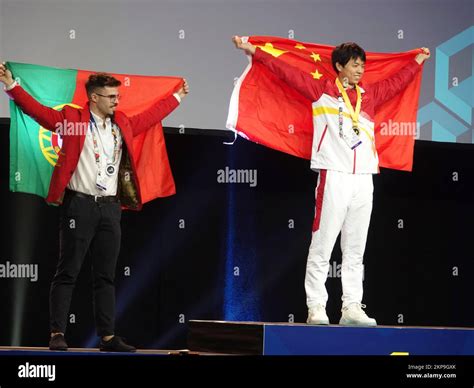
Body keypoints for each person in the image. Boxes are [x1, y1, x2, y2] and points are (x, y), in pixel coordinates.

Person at [233, 36, 430, 326]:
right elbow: (286, 72)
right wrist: (256, 51)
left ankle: (351, 307)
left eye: (362, 65)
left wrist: (416, 62)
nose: (360, 70)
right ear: (339, 67)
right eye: (354, 65)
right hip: (333, 175)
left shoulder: (371, 94)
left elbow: (398, 82)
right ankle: (316, 307)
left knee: (355, 248)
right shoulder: (321, 90)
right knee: (323, 244)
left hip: (364, 178)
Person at [0, 63, 189, 351]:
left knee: (105, 276)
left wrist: (175, 98)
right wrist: (12, 87)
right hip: (79, 206)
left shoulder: (121, 123)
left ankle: (108, 337)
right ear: (94, 98)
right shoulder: (73, 119)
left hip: (111, 209)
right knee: (68, 272)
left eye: (117, 96)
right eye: (111, 96)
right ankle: (56, 334)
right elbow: (39, 113)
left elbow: (150, 117)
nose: (117, 101)